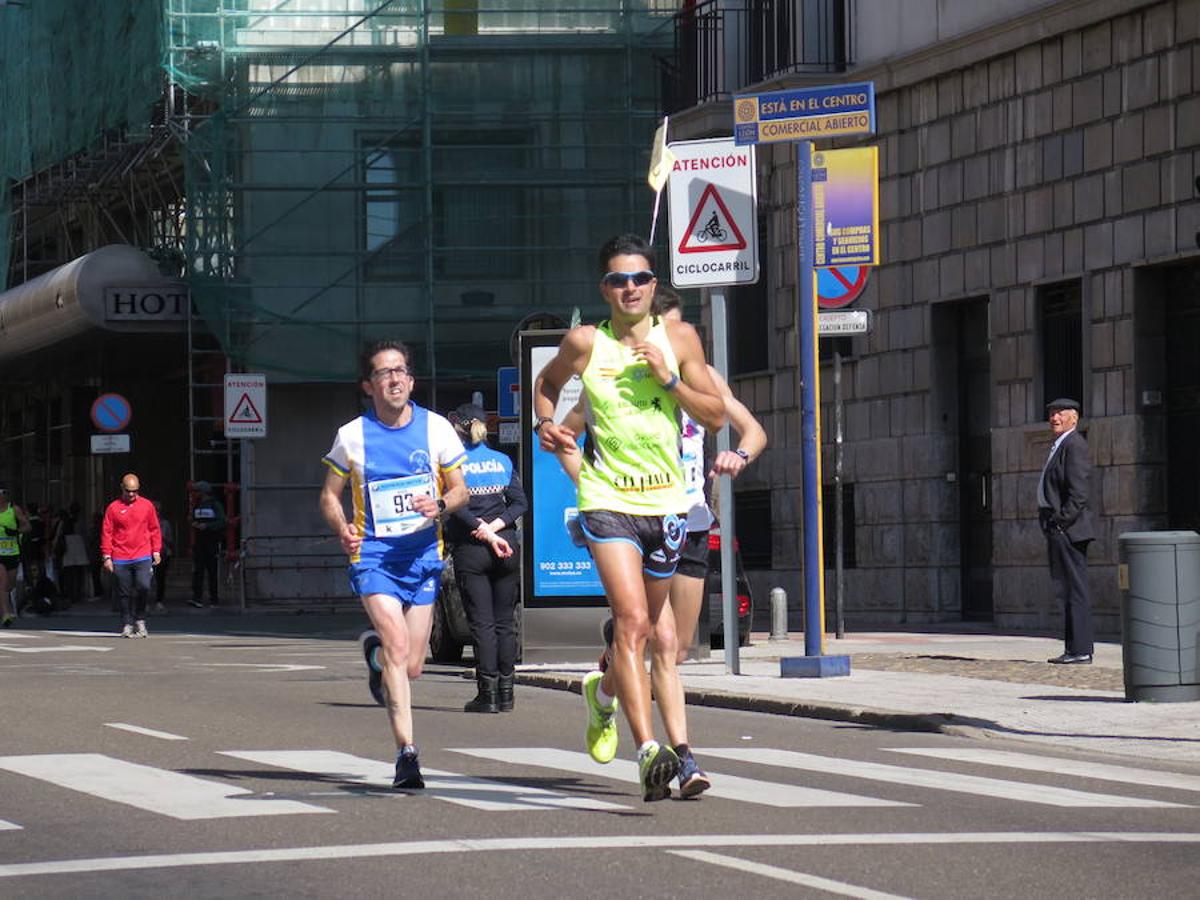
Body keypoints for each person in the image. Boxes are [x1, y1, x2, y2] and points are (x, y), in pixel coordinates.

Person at [533, 234, 725, 802]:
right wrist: (547, 422)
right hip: (606, 498)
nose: (631, 288)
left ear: (653, 283)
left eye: (640, 278)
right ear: (604, 289)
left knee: (650, 634)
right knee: (633, 620)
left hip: (666, 504)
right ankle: (648, 752)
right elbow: (546, 386)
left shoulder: (681, 338)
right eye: (619, 280)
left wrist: (669, 377)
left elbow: (715, 415)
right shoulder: (585, 342)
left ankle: (602, 693)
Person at [320, 339, 469, 790]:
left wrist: (439, 504)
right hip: (374, 557)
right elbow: (329, 495)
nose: (394, 379)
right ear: (369, 385)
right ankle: (407, 754)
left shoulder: (437, 429)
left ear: (411, 379)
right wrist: (341, 526)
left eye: (400, 370)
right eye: (384, 373)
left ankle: (375, 657)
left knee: (414, 664)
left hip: (424, 557)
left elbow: (461, 491)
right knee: (399, 647)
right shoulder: (352, 436)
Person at [446, 402, 528, 714]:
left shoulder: (455, 466)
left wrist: (482, 529)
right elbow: (520, 503)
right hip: (506, 545)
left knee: (481, 623)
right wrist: (496, 528)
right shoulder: (503, 461)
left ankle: (487, 693)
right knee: (505, 622)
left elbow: (457, 506)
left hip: (472, 547)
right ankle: (507, 693)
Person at [1037, 398, 1097, 664]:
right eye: (1051, 413)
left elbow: (1079, 492)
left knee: (1076, 588)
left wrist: (1061, 522)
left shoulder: (1074, 445)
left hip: (1069, 530)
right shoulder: (1060, 445)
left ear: (1074, 417)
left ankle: (1081, 648)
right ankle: (1073, 648)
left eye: (1060, 413)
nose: (1054, 418)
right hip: (1059, 527)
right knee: (1067, 589)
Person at [101, 473, 162, 638]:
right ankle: (127, 622)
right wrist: (107, 556)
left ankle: (140, 618)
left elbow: (154, 529)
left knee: (144, 586)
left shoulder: (147, 506)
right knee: (124, 592)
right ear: (122, 488)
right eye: (128, 490)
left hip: (142, 554)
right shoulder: (113, 508)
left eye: (135, 491)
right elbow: (107, 532)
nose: (131, 494)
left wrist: (156, 550)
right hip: (120, 555)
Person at [189, 481, 226, 608]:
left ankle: (214, 598)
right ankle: (197, 597)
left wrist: (208, 526)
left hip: (211, 541)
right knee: (198, 570)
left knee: (212, 570)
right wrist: (193, 522)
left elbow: (222, 521)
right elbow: (193, 519)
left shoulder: (215, 505)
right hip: (199, 541)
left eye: (197, 491)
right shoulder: (197, 505)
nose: (196, 494)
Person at [0, 487, 32, 627]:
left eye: (3, 494)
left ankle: (4, 605)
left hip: (12, 552)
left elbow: (28, 526)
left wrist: (15, 531)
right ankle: (6, 614)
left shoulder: (14, 510)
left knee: (10, 585)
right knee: (3, 583)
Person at [53, 501, 90, 607]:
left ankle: (70, 594)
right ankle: (77, 594)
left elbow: (58, 535)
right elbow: (85, 535)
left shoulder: (64, 522)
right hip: (78, 546)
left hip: (68, 547)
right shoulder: (82, 522)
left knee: (68, 573)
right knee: (78, 573)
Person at [153, 501, 174, 613]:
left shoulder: (164, 524)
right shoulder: (144, 523)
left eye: (157, 510)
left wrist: (162, 538)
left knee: (161, 578)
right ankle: (145, 602)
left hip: (163, 553)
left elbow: (170, 540)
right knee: (146, 579)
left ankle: (159, 601)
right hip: (148, 553)